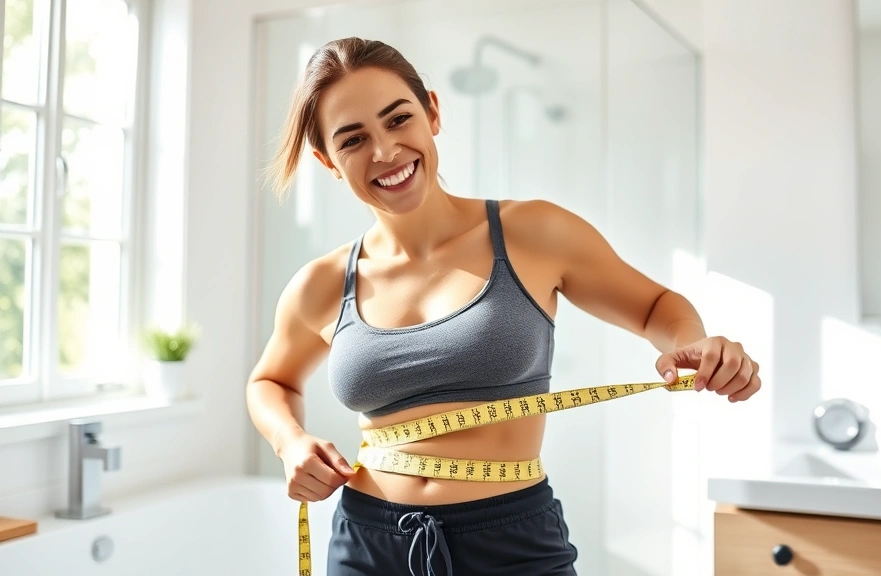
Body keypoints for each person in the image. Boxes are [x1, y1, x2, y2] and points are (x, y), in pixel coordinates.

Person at [246, 37, 761, 576]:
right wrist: (290, 442)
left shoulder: (532, 232)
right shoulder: (323, 284)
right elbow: (270, 381)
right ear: (329, 161)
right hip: (367, 545)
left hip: (512, 542)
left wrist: (692, 345)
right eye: (354, 140)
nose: (385, 152)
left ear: (433, 112)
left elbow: (656, 305)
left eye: (398, 120)